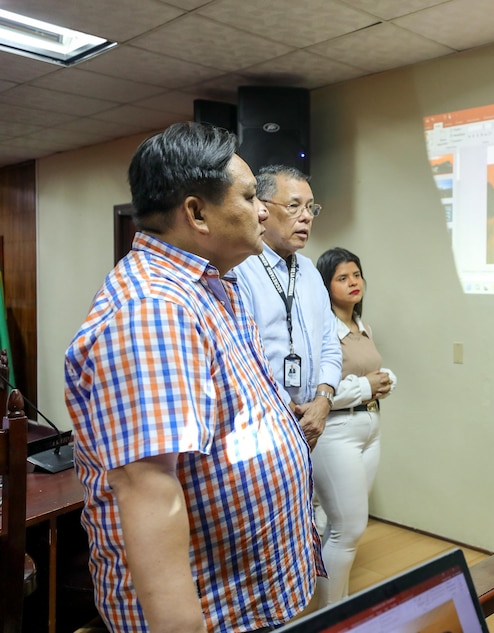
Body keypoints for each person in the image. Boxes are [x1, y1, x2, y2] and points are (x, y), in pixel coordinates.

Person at [64, 122, 323, 633]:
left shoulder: (210, 287)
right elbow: (149, 488)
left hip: (251, 596)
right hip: (215, 613)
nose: (264, 210)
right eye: (251, 197)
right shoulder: (153, 308)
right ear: (196, 212)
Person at [234, 166, 342, 449]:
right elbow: (244, 357)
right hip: (264, 423)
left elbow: (330, 343)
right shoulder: (240, 268)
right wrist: (290, 412)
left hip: (311, 422)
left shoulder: (309, 271)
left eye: (310, 208)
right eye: (294, 206)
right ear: (262, 208)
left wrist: (322, 401)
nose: (306, 217)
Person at [313, 246, 396, 606]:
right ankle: (332, 615)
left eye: (356, 275)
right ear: (325, 286)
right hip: (336, 432)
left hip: (369, 427)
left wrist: (387, 380)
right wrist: (366, 386)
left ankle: (338, 605)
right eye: (342, 278)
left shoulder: (362, 326)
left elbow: (370, 373)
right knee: (348, 530)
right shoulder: (322, 330)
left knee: (341, 527)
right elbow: (320, 390)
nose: (352, 283)